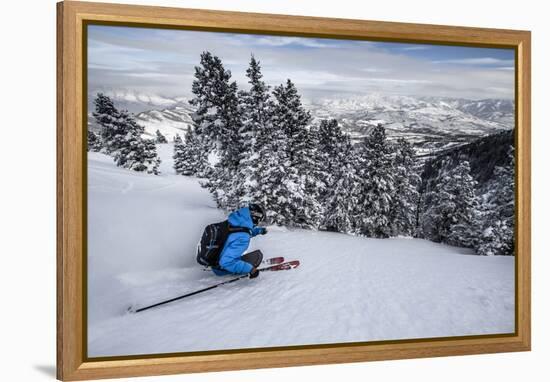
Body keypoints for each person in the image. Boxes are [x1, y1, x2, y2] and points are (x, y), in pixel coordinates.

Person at [212, 203, 268, 278]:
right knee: (257, 256)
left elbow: (238, 233)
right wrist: (251, 269)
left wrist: (259, 231)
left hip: (215, 261)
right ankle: (238, 268)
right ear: (255, 217)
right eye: (259, 219)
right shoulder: (243, 237)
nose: (258, 222)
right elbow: (226, 262)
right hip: (222, 268)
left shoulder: (233, 222)